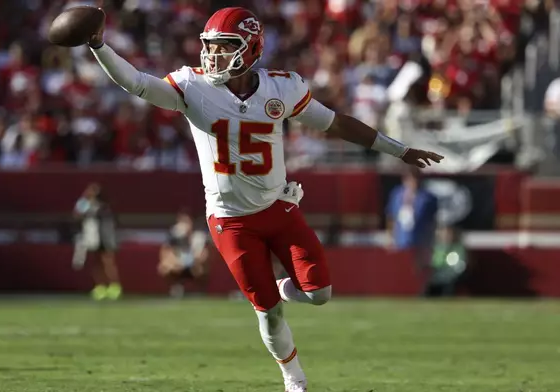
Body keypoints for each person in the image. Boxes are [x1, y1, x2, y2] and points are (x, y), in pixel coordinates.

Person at [84, 7, 443, 391]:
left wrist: (398, 150)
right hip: (230, 220)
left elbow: (335, 122)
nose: (212, 56)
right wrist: (98, 45)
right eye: (210, 47)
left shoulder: (282, 88)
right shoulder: (193, 87)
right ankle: (295, 380)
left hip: (277, 207)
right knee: (268, 313)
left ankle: (285, 288)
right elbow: (136, 83)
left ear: (250, 49)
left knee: (320, 293)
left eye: (224, 47)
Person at [386, 167, 439, 295]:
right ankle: (402, 289)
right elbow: (391, 217)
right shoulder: (397, 195)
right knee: (401, 265)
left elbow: (432, 221)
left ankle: (422, 290)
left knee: (420, 264)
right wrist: (390, 237)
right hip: (402, 236)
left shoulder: (427, 197)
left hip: (420, 237)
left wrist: (431, 239)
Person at [73, 183, 122, 300]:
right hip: (92, 237)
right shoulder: (85, 205)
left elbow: (111, 221)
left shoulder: (104, 206)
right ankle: (100, 287)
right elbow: (76, 214)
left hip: (105, 237)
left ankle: (114, 286)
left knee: (108, 262)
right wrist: (84, 199)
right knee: (95, 263)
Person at [158, 209, 210, 298]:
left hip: (194, 264)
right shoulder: (174, 236)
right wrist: (174, 262)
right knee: (166, 268)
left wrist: (197, 261)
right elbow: (166, 251)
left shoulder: (199, 236)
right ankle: (177, 288)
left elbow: (204, 253)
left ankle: (199, 291)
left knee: (200, 270)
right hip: (178, 264)